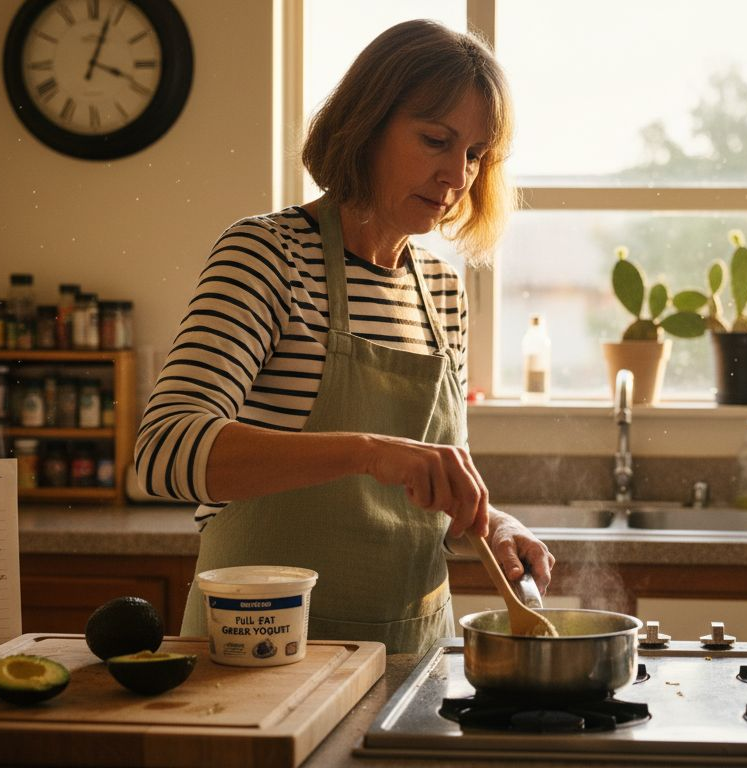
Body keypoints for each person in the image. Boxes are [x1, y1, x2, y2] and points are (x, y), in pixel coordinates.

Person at [135, 20, 554, 656]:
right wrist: (366, 451)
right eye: (435, 140)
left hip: (411, 656)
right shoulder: (268, 254)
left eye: (474, 155)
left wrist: (493, 525)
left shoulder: (441, 291)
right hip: (263, 658)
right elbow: (165, 454)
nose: (455, 176)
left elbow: (433, 493)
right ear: (366, 125)